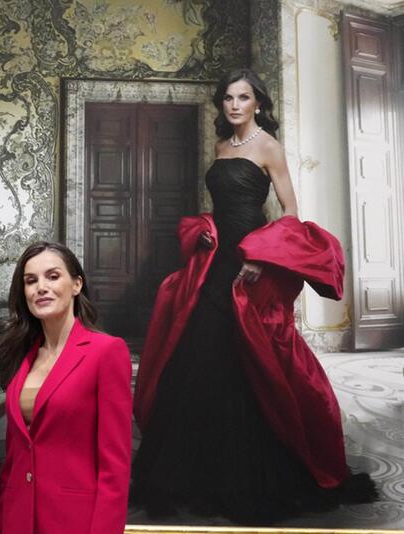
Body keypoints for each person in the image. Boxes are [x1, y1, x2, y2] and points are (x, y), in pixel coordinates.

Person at [131, 68, 377, 523]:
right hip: (214, 260)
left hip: (249, 264)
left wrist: (263, 258)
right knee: (197, 357)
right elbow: (222, 206)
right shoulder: (223, 147)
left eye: (243, 98)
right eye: (228, 98)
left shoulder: (268, 147)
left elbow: (290, 212)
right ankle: (189, 474)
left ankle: (248, 475)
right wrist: (205, 232)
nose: (234, 105)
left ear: (258, 103)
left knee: (244, 358)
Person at [0, 241, 132, 534]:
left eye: (53, 276)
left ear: (76, 284)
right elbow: (15, 458)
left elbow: (114, 466)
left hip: (73, 522)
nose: (41, 287)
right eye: (31, 281)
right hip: (17, 521)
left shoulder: (106, 352)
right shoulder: (21, 356)